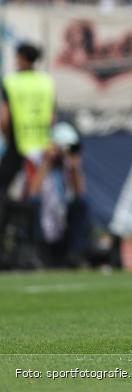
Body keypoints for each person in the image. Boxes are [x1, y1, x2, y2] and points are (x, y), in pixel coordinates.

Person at [26, 122, 91, 267]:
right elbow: (32, 193)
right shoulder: (36, 159)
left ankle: (76, 254)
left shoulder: (67, 165)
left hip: (61, 222)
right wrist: (46, 162)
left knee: (81, 205)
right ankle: (37, 254)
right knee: (34, 204)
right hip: (41, 222)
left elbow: (79, 194)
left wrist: (75, 169)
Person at [0, 42, 55, 196]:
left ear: (22, 58)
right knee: (37, 192)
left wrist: (7, 137)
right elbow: (52, 116)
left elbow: (4, 117)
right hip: (41, 145)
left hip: (18, 143)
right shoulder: (46, 81)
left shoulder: (11, 82)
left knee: (3, 188)